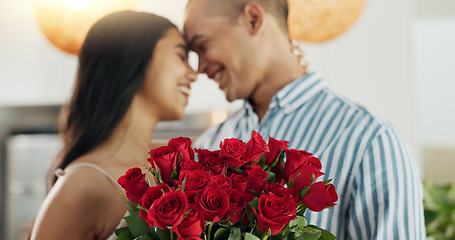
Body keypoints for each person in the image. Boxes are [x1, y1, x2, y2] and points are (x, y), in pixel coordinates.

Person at [184, 0, 426, 239]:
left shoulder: (371, 142)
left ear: (253, 19)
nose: (200, 68)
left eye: (203, 46)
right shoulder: (209, 143)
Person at [30, 10, 196, 240]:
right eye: (181, 57)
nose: (194, 74)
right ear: (134, 56)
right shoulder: (83, 185)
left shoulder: (185, 158)